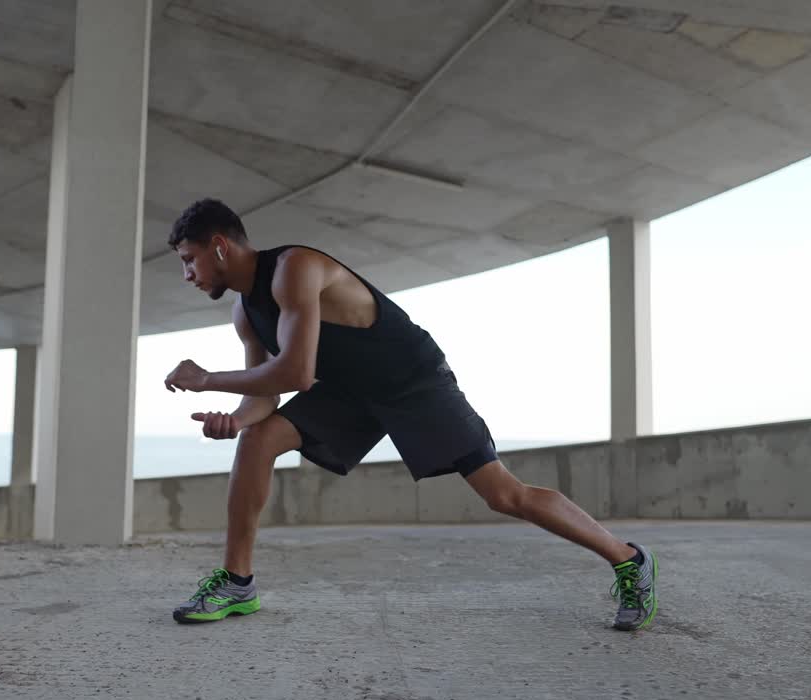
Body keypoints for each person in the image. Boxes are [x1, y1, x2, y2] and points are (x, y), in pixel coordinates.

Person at [162, 198, 657, 631]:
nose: (188, 274)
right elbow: (262, 400)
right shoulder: (245, 313)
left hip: (412, 379)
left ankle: (629, 561)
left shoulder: (295, 268)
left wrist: (207, 378)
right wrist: (235, 420)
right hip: (349, 391)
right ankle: (237, 583)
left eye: (190, 260)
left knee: (505, 495)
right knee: (258, 439)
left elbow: (294, 372)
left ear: (220, 246)